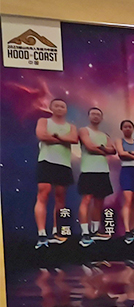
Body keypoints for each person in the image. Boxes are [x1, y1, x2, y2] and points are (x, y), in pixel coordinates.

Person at [34, 97, 79, 247]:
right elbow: (42, 135)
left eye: (62, 106)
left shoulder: (71, 126)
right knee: (43, 194)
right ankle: (41, 234)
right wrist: (63, 139)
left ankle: (57, 232)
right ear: (51, 108)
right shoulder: (44, 121)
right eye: (57, 106)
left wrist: (55, 136)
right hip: (46, 161)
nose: (60, 108)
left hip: (64, 164)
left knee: (60, 198)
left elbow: (74, 139)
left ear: (66, 110)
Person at [76, 107, 116, 246]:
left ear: (101, 118)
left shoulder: (105, 135)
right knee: (86, 200)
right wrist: (104, 149)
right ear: (89, 116)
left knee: (99, 202)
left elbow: (113, 150)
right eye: (93, 114)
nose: (95, 116)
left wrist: (102, 148)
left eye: (98, 114)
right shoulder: (84, 130)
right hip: (88, 170)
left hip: (103, 171)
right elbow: (90, 147)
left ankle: (95, 230)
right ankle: (85, 232)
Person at [116, 120, 134, 243]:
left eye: (129, 127)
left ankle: (133, 228)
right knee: (128, 200)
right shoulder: (119, 141)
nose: (127, 129)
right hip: (126, 171)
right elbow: (121, 154)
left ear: (133, 129)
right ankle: (127, 230)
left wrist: (130, 153)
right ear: (122, 129)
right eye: (125, 127)